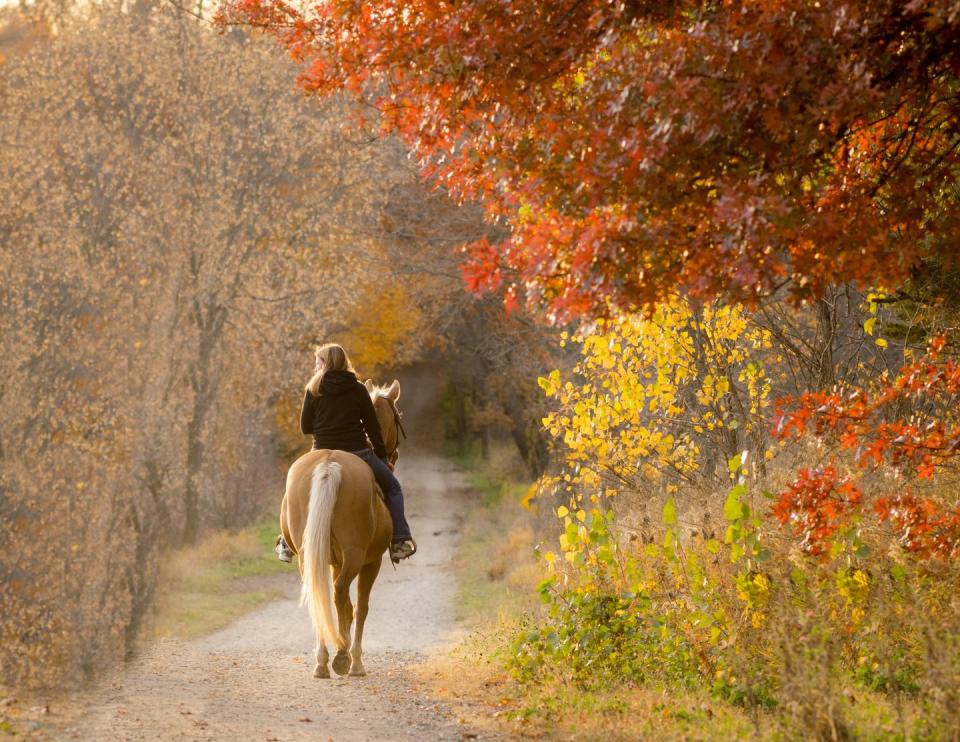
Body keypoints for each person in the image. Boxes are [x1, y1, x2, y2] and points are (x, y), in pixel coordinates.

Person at [275, 343, 416, 564]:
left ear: (326, 363)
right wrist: (381, 457)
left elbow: (305, 427)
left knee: (292, 488)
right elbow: (372, 428)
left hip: (320, 449)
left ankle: (286, 540)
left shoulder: (313, 388)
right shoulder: (358, 389)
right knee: (393, 488)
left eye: (318, 361)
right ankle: (400, 539)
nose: (315, 366)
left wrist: (325, 427)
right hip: (357, 451)